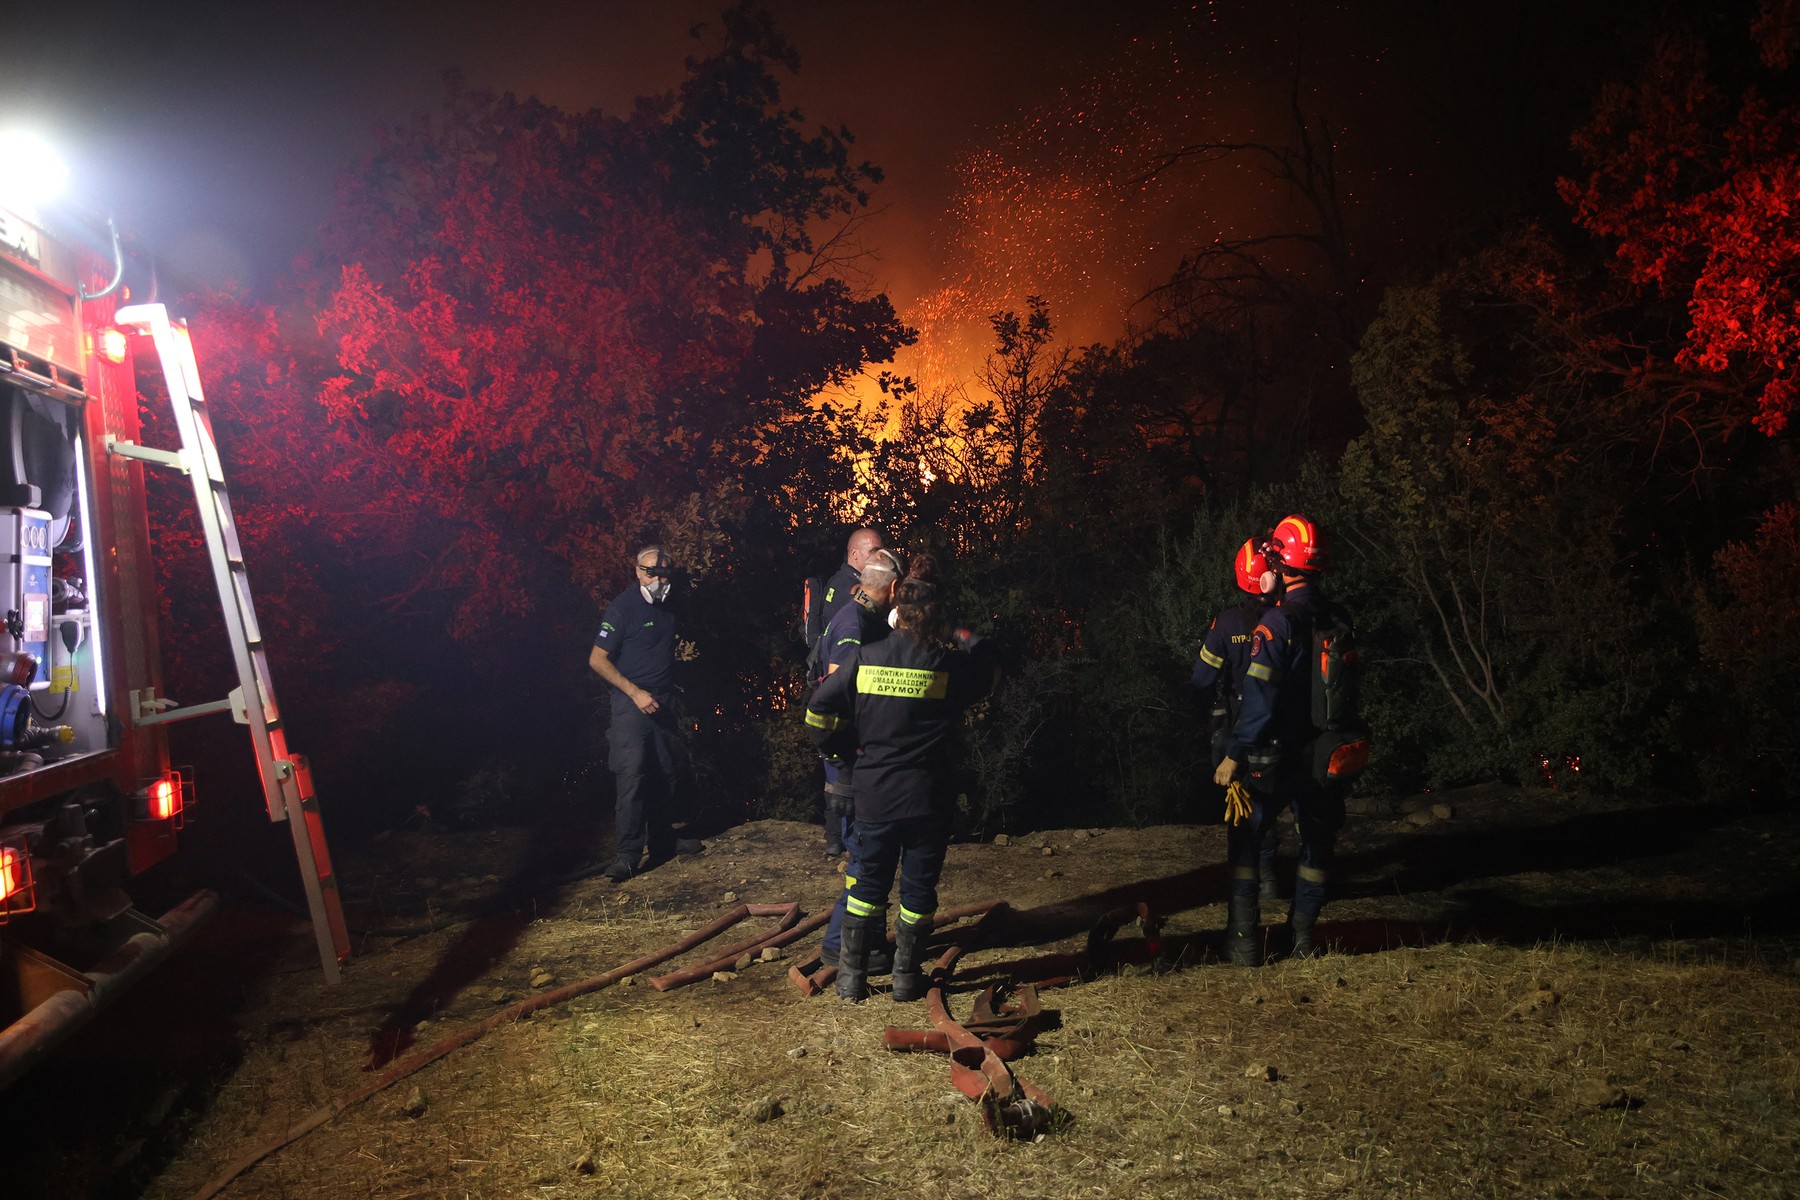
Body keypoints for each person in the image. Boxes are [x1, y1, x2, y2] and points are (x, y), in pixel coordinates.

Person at [804, 554, 999, 1003]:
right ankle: (907, 979)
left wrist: (842, 749)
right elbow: (989, 663)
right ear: (934, 616)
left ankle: (851, 980)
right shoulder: (946, 666)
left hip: (875, 795)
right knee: (918, 890)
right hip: (928, 797)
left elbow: (818, 711)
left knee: (865, 886)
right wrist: (956, 632)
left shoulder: (865, 658)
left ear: (896, 611)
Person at [1213, 514, 1352, 963]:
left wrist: (1233, 753)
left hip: (1273, 756)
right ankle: (1302, 938)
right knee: (1317, 844)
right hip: (1325, 754)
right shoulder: (1337, 617)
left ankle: (1244, 944)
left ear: (1280, 564)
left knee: (1246, 840)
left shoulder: (1277, 623)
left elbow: (1260, 702)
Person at [588, 545, 702, 883]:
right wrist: (635, 693)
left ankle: (663, 840)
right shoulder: (622, 609)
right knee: (633, 774)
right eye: (651, 572)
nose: (658, 580)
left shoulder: (669, 608)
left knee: (665, 771)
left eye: (664, 574)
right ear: (638, 571)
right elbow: (597, 659)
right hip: (630, 703)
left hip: (662, 701)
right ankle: (627, 854)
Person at [815, 547, 904, 971]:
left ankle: (867, 941)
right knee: (864, 853)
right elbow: (836, 691)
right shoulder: (853, 625)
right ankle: (842, 944)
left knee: (870, 851)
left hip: (853, 754)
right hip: (851, 758)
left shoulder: (862, 618)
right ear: (893, 587)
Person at [1191, 537, 1285, 904]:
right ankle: (1271, 880)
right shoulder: (1288, 618)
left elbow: (1202, 678)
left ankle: (1244, 887)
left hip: (1240, 728)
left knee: (1242, 806)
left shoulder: (1227, 622)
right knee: (1270, 803)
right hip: (1282, 727)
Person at [816, 527, 886, 856]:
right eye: (874, 552)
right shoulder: (849, 591)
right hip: (842, 695)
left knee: (839, 768)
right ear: (855, 554)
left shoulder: (843, 584)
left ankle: (836, 838)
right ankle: (844, 840)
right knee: (843, 768)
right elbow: (841, 665)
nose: (878, 557)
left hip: (838, 693)